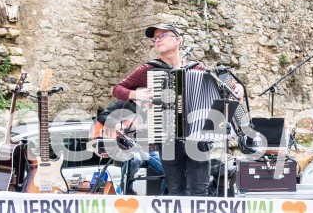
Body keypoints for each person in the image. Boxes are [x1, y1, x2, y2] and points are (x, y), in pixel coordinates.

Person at [112, 23, 242, 196]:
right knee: (176, 190)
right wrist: (136, 94)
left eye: (163, 36)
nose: (158, 40)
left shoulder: (197, 68)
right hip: (167, 138)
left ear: (178, 40)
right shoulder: (149, 69)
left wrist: (237, 87)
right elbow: (118, 89)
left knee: (200, 190)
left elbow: (223, 87)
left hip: (197, 138)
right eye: (155, 38)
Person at [95, 100, 164, 195]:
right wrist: (117, 124)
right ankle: (126, 190)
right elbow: (102, 116)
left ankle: (166, 199)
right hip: (125, 147)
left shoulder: (155, 109)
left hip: (147, 148)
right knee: (134, 160)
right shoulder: (123, 105)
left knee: (168, 171)